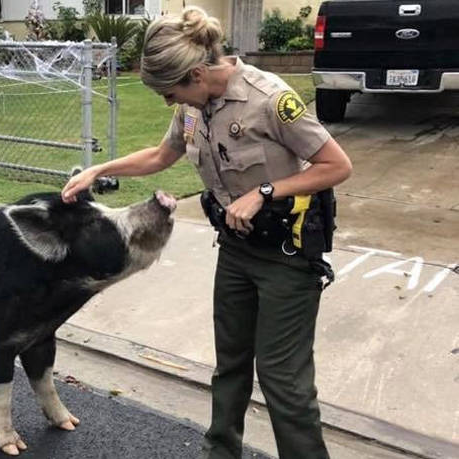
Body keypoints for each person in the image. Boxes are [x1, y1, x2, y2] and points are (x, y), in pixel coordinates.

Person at [61, 6, 352, 459]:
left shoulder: (269, 99)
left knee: (283, 378)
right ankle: (220, 452)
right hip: (235, 250)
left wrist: (265, 191)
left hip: (287, 256)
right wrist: (100, 168)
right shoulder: (194, 107)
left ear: (197, 73)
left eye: (171, 92)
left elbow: (337, 165)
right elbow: (162, 155)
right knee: (230, 365)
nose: (168, 103)